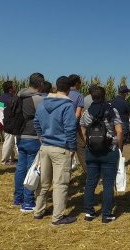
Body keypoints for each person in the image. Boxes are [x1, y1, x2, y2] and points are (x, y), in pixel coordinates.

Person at [33, 76, 78, 226]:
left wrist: (41, 138)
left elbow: (36, 122)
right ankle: (57, 217)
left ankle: (38, 211)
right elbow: (70, 128)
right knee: (60, 184)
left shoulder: (42, 103)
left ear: (56, 87)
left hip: (45, 147)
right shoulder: (67, 106)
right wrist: (73, 147)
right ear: (69, 89)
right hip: (61, 148)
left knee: (43, 182)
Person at [81, 86, 123, 223]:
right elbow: (120, 131)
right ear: (104, 96)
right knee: (108, 183)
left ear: (92, 97)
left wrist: (88, 143)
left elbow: (82, 131)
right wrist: (119, 145)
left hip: (92, 151)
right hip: (109, 150)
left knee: (90, 182)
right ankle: (106, 215)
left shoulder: (86, 113)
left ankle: (89, 213)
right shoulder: (112, 111)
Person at [14, 73, 44, 212]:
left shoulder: (19, 96)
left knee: (21, 167)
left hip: (20, 135)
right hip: (33, 136)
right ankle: (28, 202)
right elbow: (43, 117)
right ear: (41, 84)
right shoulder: (37, 99)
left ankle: (18, 198)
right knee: (31, 169)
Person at [68, 74, 86, 173]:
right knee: (81, 150)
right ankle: (90, 174)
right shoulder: (79, 95)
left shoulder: (64, 94)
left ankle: (66, 176)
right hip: (74, 127)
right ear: (76, 83)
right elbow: (78, 114)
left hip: (62, 127)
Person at [0, 81, 17, 165]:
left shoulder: (1, 97)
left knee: (9, 140)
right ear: (10, 89)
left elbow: (1, 109)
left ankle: (11, 158)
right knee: (9, 141)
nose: (15, 87)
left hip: (2, 120)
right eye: (14, 86)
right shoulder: (11, 99)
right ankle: (5, 160)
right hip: (9, 122)